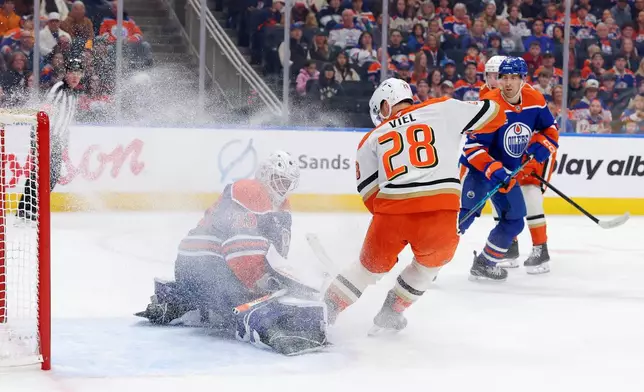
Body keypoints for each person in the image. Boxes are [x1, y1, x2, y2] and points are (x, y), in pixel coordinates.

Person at [323, 78, 506, 334]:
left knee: (365, 270)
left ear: (386, 105)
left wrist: (388, 228)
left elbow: (370, 196)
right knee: (428, 266)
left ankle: (324, 312)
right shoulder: (443, 108)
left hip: (391, 214)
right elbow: (495, 115)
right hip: (441, 212)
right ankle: (391, 312)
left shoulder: (371, 138)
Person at [136, 152, 329, 356]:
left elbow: (274, 255)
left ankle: (180, 301)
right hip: (201, 263)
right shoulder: (250, 190)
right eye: (278, 180)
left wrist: (282, 280)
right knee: (247, 303)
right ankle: (273, 330)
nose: (282, 188)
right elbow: (240, 255)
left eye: (287, 183)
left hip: (208, 266)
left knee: (241, 297)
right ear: (264, 175)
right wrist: (262, 284)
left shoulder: (281, 208)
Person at [460, 57, 559, 281]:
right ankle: (428, 263)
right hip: (480, 170)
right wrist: (495, 170)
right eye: (504, 77)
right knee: (463, 217)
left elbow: (550, 131)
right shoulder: (489, 105)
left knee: (515, 219)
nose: (508, 83)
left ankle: (485, 263)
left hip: (507, 173)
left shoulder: (535, 99)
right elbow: (473, 148)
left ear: (523, 80)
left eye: (514, 78)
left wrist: (540, 148)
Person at [16, 58, 83, 222]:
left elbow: (65, 121)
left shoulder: (74, 94)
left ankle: (28, 210)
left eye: (79, 73)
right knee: (42, 175)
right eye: (72, 73)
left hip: (56, 141)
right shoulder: (58, 89)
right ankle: (27, 211)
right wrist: (42, 137)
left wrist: (64, 142)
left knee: (50, 177)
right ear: (66, 73)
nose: (75, 76)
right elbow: (44, 112)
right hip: (46, 138)